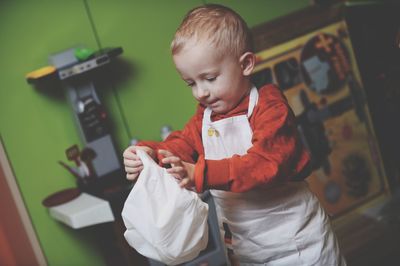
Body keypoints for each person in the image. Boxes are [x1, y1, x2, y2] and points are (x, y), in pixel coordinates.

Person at [123, 4, 346, 265]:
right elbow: (181, 144)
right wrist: (150, 154)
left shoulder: (269, 108)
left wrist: (200, 174)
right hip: (245, 249)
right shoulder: (204, 116)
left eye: (210, 78)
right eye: (191, 83)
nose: (200, 92)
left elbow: (265, 164)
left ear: (246, 64)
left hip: (297, 245)